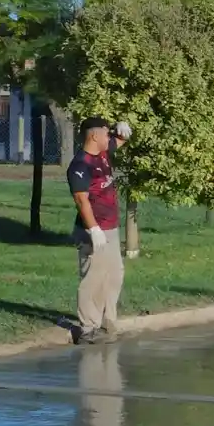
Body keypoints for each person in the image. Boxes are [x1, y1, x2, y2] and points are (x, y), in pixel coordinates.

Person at [67, 116, 131, 345]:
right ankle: (87, 328)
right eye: (106, 133)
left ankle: (107, 322)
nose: (109, 137)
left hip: (110, 227)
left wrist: (124, 132)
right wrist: (93, 229)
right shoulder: (80, 165)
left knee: (114, 274)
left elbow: (120, 141)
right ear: (94, 136)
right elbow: (80, 200)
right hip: (93, 229)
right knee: (93, 277)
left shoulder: (103, 154)